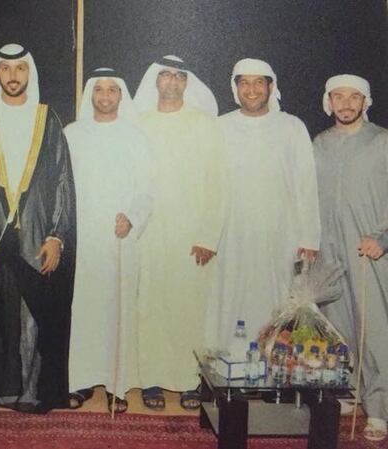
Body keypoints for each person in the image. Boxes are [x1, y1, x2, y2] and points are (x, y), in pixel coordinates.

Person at [0, 43, 76, 414]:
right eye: (6, 69)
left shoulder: (48, 117)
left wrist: (57, 235)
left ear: (30, 74)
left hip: (37, 233)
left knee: (34, 318)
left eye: (20, 69)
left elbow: (62, 180)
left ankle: (32, 393)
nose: (12, 76)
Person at [131, 55, 227, 411]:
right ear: (155, 81)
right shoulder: (140, 123)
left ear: (187, 83)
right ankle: (152, 379)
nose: (171, 81)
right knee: (150, 307)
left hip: (192, 234)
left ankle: (188, 380)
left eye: (178, 76)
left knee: (189, 307)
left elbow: (218, 184)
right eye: (165, 75)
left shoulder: (205, 124)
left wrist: (208, 235)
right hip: (148, 232)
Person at [205, 58, 320, 352]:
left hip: (281, 234)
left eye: (259, 83)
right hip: (232, 234)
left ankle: (274, 369)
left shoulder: (292, 127)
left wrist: (309, 238)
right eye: (245, 83)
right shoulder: (220, 127)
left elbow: (305, 185)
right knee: (230, 300)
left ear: (271, 87)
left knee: (276, 300)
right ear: (235, 88)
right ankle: (231, 369)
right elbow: (209, 184)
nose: (252, 90)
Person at [64, 67, 153, 414]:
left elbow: (148, 186)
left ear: (121, 96)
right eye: (98, 89)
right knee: (82, 309)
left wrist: (131, 216)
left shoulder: (135, 136)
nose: (104, 96)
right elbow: (61, 184)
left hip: (120, 238)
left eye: (112, 90)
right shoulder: (72, 133)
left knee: (118, 309)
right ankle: (80, 381)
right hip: (82, 238)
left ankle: (117, 384)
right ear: (90, 95)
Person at [314, 74, 388, 442]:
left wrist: (383, 238)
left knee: (374, 332)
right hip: (328, 251)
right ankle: (350, 391)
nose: (345, 104)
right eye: (338, 97)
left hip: (368, 252)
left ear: (365, 102)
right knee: (337, 329)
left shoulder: (382, 141)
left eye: (354, 97)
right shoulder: (320, 143)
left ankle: (380, 410)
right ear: (328, 101)